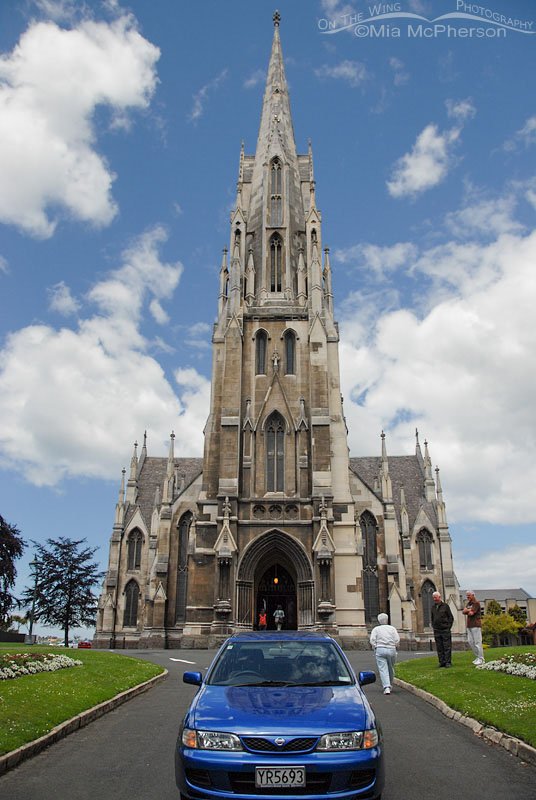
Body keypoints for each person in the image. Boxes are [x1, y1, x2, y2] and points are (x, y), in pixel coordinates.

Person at [369, 613, 400, 695]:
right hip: (391, 649)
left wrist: (375, 646)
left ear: (379, 620)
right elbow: (397, 639)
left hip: (380, 649)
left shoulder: (376, 629)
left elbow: (372, 640)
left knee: (383, 668)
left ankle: (386, 687)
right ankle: (390, 683)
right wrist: (394, 645)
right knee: (390, 667)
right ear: (387, 619)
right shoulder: (392, 629)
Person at [431, 591, 454, 668]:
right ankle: (442, 662)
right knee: (439, 647)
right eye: (433, 597)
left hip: (445, 630)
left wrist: (448, 627)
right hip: (437, 630)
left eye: (436, 597)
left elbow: (450, 617)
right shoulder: (433, 607)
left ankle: (448, 662)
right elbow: (432, 618)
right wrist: (434, 626)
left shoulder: (445, 606)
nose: (434, 599)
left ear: (439, 597)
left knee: (447, 646)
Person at [463, 590, 484, 665]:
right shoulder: (469, 603)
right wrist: (468, 610)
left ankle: (481, 659)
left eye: (469, 595)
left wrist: (467, 610)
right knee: (471, 642)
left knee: (477, 642)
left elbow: (471, 613)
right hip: (469, 625)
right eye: (467, 595)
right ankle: (477, 657)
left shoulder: (476, 603)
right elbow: (463, 612)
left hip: (475, 625)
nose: (467, 597)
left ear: (473, 595)